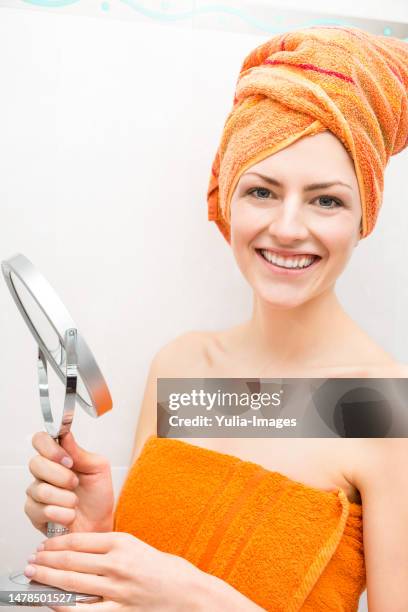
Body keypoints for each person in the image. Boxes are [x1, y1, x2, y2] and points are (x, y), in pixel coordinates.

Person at [23, 25, 408, 611]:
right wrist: (93, 534)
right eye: (261, 191)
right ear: (227, 195)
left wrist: (201, 599)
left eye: (326, 199)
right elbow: (130, 595)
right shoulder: (181, 366)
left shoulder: (385, 411)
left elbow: (173, 594)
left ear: (364, 216)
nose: (287, 226)